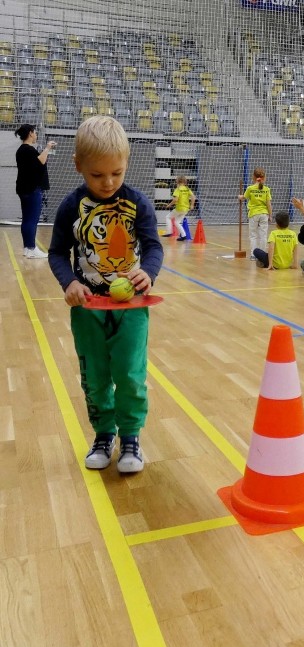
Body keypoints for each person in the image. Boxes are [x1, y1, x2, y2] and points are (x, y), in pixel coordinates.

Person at [47, 116, 164, 473]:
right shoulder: (70, 206)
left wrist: (149, 272)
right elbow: (56, 253)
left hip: (131, 308)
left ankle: (130, 437)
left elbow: (154, 247)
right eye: (97, 176)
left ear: (126, 164)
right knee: (94, 376)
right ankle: (103, 434)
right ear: (78, 165)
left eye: (117, 173)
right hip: (86, 308)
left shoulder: (139, 203)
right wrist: (69, 282)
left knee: (129, 373)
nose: (108, 182)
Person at [15, 123, 56, 258]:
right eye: (35, 132)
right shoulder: (28, 150)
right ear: (31, 133)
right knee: (32, 220)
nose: (36, 135)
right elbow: (40, 162)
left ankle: (27, 248)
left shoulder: (21, 150)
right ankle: (32, 248)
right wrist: (48, 148)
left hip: (23, 189)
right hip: (32, 189)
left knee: (26, 219)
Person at [238, 168, 272, 261]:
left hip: (253, 214)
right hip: (264, 214)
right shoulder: (266, 189)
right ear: (264, 178)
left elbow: (243, 197)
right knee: (263, 235)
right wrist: (270, 215)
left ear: (253, 177)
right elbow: (269, 203)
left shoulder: (250, 188)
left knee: (253, 235)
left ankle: (253, 254)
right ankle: (261, 254)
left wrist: (239, 197)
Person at [165, 175, 196, 240]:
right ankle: (183, 235)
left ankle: (169, 232)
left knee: (168, 217)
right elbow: (193, 197)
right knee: (177, 222)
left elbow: (175, 200)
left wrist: (169, 205)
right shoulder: (187, 189)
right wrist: (192, 205)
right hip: (186, 209)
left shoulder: (178, 189)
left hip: (179, 208)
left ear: (177, 181)